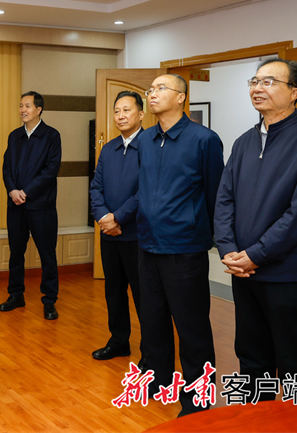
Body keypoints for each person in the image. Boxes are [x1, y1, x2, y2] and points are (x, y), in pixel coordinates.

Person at [215, 58, 297, 402]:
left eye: (268, 82)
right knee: (252, 359)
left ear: (294, 92)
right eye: (254, 81)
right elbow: (224, 200)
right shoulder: (244, 142)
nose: (257, 88)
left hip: (289, 276)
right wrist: (228, 250)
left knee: (296, 365)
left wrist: (256, 254)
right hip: (245, 274)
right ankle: (256, 420)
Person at [135, 73, 224, 416]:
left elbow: (216, 195)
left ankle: (198, 398)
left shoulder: (203, 139)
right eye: (151, 89)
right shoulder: (145, 139)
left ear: (181, 97)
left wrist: (219, 241)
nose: (152, 94)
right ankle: (157, 380)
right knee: (152, 320)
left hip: (185, 248)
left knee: (191, 327)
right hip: (147, 245)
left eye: (161, 89)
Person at [89, 91, 145, 364]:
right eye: (117, 111)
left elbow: (146, 191)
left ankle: (151, 351)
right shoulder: (108, 148)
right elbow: (96, 187)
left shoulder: (150, 146)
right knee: (114, 291)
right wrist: (104, 217)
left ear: (141, 114)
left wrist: (118, 218)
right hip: (109, 234)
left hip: (137, 235)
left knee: (144, 296)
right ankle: (119, 341)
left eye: (127, 110)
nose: (121, 116)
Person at [0, 91, 62, 320]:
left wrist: (26, 192)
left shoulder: (51, 136)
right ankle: (16, 294)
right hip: (16, 205)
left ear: (39, 109)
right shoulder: (14, 136)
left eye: (27, 106)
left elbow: (50, 170)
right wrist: (12, 190)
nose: (22, 110)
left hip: (41, 206)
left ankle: (49, 300)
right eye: (20, 106)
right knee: (16, 253)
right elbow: (6, 167)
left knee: (47, 254)